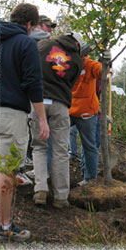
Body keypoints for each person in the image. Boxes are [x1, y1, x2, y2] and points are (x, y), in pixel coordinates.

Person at [0, 3, 50, 241]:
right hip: (10, 115)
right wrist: (42, 120)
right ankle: (3, 227)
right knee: (6, 172)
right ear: (30, 25)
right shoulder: (25, 43)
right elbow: (33, 84)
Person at [31, 32, 84, 208]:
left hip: (38, 101)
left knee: (39, 147)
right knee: (61, 150)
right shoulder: (77, 59)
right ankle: (61, 197)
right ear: (77, 44)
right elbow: (72, 83)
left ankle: (40, 189)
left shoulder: (44, 46)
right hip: (60, 104)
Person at [69, 51, 110, 186]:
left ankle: (90, 179)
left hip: (86, 113)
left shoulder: (91, 65)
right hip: (69, 110)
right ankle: (52, 173)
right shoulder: (69, 64)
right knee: (55, 139)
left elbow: (104, 75)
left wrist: (106, 65)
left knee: (89, 146)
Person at [25, 15, 57, 179]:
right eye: (48, 26)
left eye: (51, 27)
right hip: (30, 94)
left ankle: (43, 172)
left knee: (44, 136)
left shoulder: (50, 47)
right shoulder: (29, 42)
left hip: (45, 95)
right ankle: (37, 168)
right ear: (38, 25)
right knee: (35, 134)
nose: (50, 30)